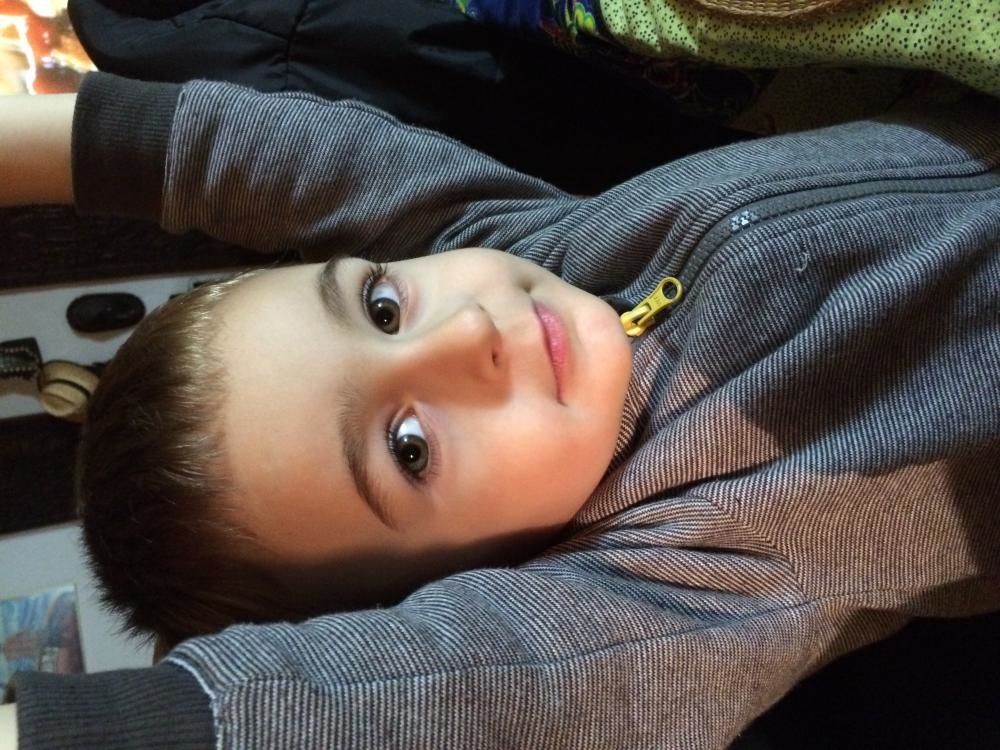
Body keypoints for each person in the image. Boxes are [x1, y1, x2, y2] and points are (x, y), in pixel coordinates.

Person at [2, 71, 1000, 749]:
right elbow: (384, 706)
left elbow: (259, 156)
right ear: (471, 587)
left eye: (381, 306)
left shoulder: (526, 248)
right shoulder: (686, 571)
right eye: (408, 447)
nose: (465, 335)